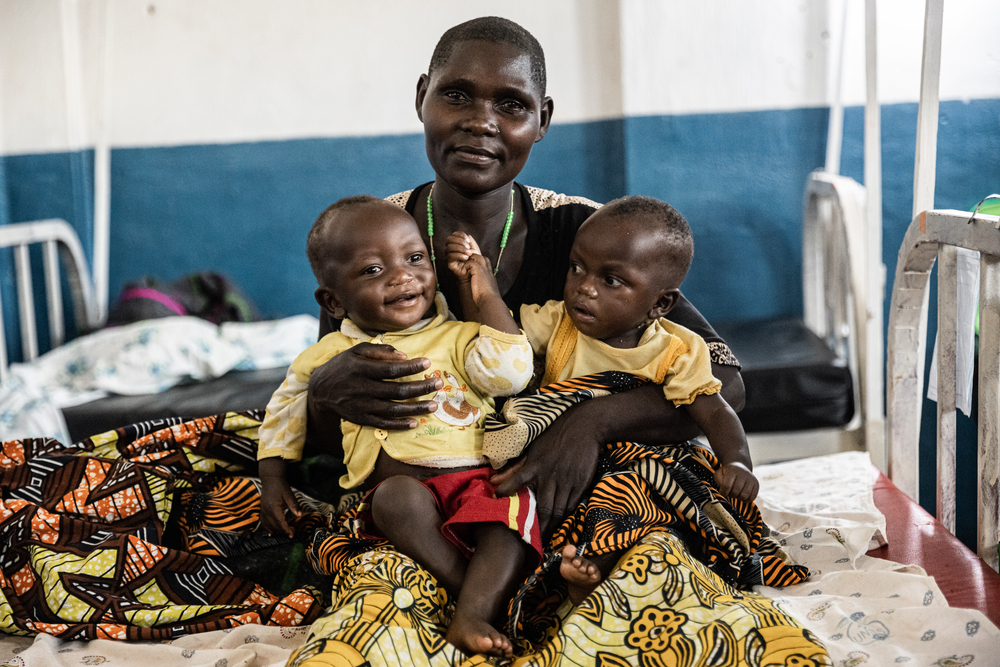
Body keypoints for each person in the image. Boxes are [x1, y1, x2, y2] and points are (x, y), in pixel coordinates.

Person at [304, 16, 746, 545]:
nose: (480, 122)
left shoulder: (587, 233)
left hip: (574, 496)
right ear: (423, 96)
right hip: (425, 502)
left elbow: (726, 381)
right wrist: (322, 397)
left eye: (511, 105)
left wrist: (590, 423)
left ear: (543, 119)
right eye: (457, 95)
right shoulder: (368, 240)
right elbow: (337, 425)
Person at [257, 195, 540, 657]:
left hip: (474, 482)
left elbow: (511, 373)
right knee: (394, 500)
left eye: (415, 259)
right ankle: (468, 594)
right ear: (333, 300)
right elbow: (284, 410)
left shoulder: (459, 336)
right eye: (372, 270)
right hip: (401, 494)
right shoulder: (327, 356)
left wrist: (483, 290)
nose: (402, 276)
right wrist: (273, 477)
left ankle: (471, 611)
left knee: (507, 519)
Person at [454, 194, 758, 604]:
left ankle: (598, 572)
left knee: (638, 503)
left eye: (610, 280)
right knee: (510, 506)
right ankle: (548, 583)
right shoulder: (557, 321)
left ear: (661, 303)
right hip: (567, 462)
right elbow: (499, 343)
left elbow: (714, 409)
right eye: (577, 268)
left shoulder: (676, 350)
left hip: (638, 466)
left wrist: (737, 460)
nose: (584, 288)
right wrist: (477, 286)